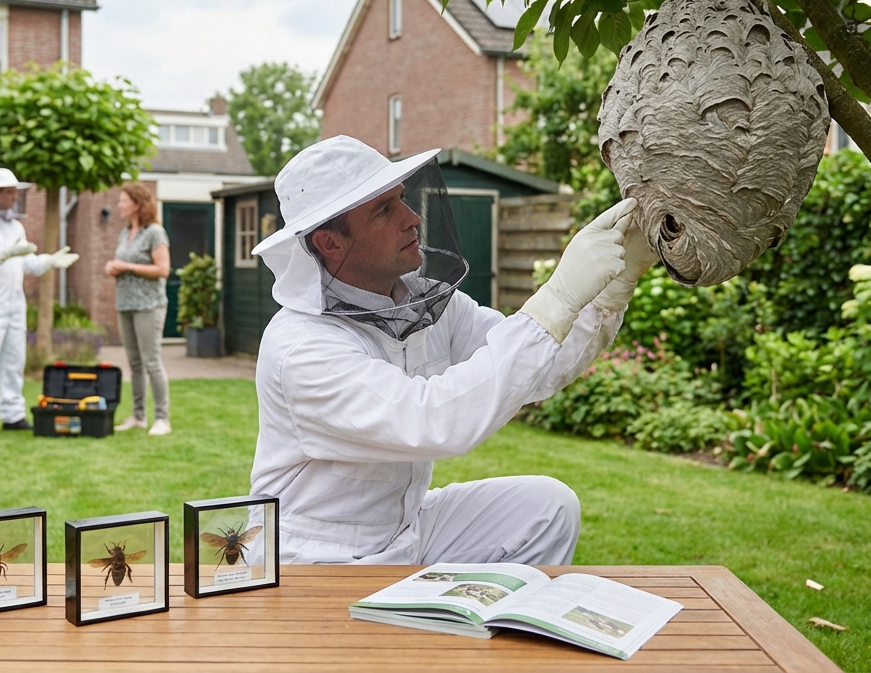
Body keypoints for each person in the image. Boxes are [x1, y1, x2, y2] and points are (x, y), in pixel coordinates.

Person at [248, 136, 656, 565]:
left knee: (547, 507)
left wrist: (607, 296)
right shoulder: (302, 348)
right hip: (317, 555)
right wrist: (555, 298)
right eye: (384, 211)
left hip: (406, 527)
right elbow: (433, 420)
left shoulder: (422, 304)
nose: (411, 219)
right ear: (330, 243)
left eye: (400, 200)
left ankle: (506, 619)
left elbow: (537, 369)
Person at [0, 168, 79, 439]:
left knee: (14, 360)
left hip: (14, 302)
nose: (15, 197)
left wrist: (48, 261)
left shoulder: (15, 226)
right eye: (10, 192)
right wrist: (4, 253)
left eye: (15, 192)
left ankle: (13, 415)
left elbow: (26, 261)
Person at [104, 183, 173, 436]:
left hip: (149, 306)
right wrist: (113, 267)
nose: (119, 204)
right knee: (134, 363)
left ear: (137, 203)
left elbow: (163, 270)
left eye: (123, 200)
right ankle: (138, 416)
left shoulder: (155, 232)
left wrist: (126, 267)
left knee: (151, 361)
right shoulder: (125, 232)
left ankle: (162, 419)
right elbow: (124, 262)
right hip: (125, 304)